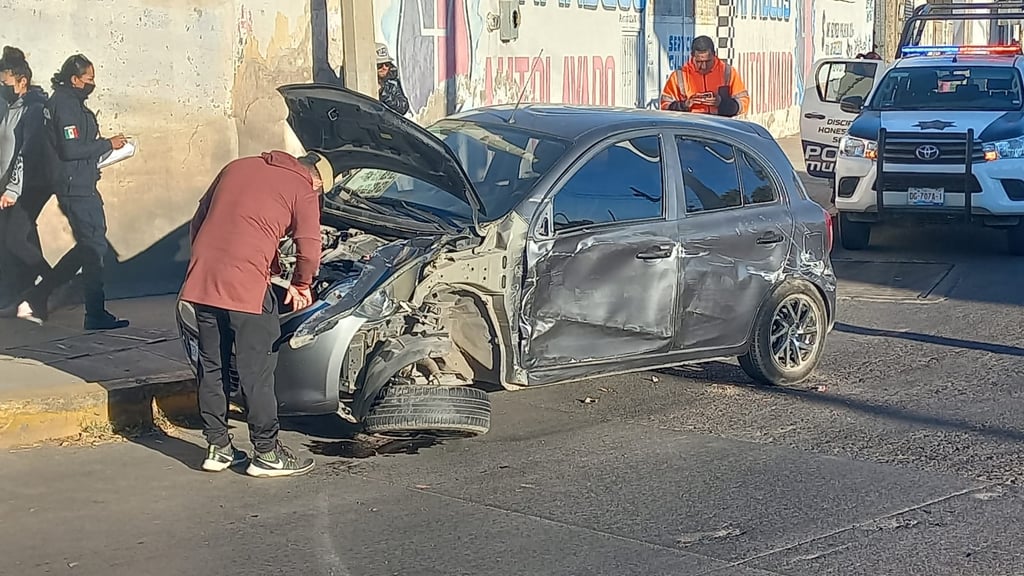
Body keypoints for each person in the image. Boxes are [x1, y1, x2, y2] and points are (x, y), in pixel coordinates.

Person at [182, 149, 333, 477]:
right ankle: (266, 452)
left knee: (212, 365)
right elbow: (309, 246)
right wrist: (302, 284)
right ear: (317, 181)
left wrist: (207, 263)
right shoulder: (302, 187)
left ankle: (218, 447)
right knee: (257, 370)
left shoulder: (236, 165)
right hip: (246, 288)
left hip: (204, 280)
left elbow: (199, 219)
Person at [14, 54, 129, 329]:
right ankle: (88, 310)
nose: (92, 84)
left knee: (92, 245)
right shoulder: (65, 105)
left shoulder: (70, 102)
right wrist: (107, 145)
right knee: (94, 247)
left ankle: (45, 294)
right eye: (88, 79)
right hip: (75, 187)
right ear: (74, 79)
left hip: (80, 182)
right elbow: (70, 149)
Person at [0, 47, 52, 311]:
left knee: (15, 240)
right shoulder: (13, 106)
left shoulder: (33, 109)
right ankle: (30, 296)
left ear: (22, 81)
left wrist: (12, 188)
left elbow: (27, 151)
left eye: (6, 82)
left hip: (28, 186)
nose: (2, 86)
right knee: (20, 239)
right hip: (11, 186)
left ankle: (53, 282)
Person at [659, 35, 750, 117]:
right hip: (689, 130)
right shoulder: (679, 76)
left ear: (714, 55)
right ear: (692, 56)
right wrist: (685, 105)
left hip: (721, 129)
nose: (703, 66)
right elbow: (665, 106)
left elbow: (744, 103)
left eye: (707, 61)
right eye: (699, 62)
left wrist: (721, 103)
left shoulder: (727, 72)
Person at [376, 43, 410, 116]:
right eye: (379, 65)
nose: (384, 68)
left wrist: (383, 92)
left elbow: (403, 107)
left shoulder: (392, 82)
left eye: (387, 64)